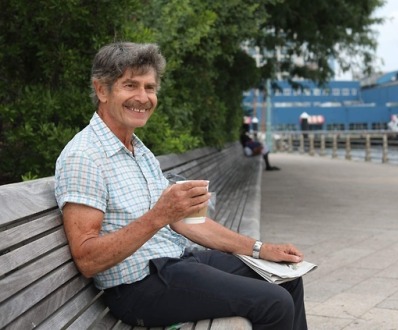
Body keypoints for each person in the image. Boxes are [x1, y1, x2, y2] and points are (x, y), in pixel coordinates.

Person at [54, 42, 307, 330]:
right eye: (130, 85)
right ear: (102, 90)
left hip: (177, 263)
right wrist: (159, 216)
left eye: (150, 87)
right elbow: (88, 258)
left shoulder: (138, 149)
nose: (143, 97)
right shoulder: (84, 157)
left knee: (287, 279)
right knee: (274, 302)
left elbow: (188, 223)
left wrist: (261, 249)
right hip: (139, 288)